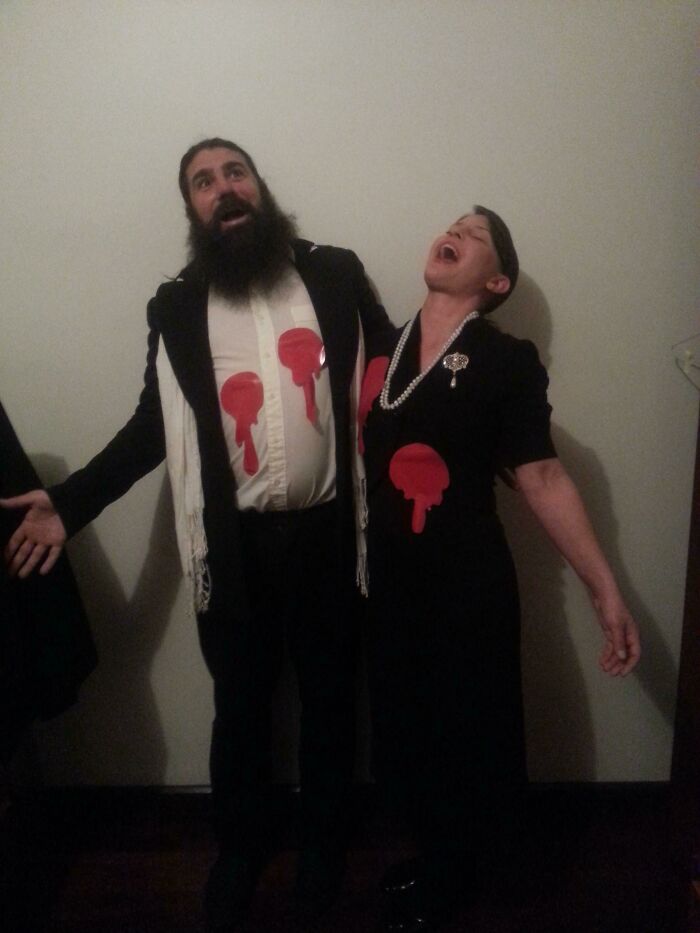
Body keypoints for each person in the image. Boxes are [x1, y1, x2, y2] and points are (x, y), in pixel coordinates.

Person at [1, 137, 391, 931]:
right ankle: (241, 847)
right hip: (232, 548)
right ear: (193, 210)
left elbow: (388, 373)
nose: (223, 189)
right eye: (203, 183)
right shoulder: (176, 303)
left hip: (330, 534)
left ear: (260, 186)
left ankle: (322, 843)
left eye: (234, 172)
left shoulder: (335, 271)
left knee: (330, 700)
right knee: (239, 706)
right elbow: (153, 425)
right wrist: (68, 504)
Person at [358, 207, 641, 932]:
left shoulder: (506, 359)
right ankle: (432, 853)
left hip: (465, 584)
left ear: (496, 278)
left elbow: (541, 477)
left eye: (476, 233)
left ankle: (457, 873)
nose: (453, 230)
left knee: (463, 730)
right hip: (387, 582)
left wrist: (604, 589)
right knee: (403, 727)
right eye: (452, 222)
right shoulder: (380, 350)